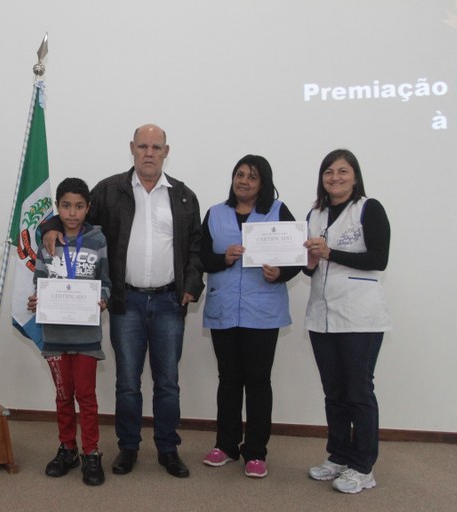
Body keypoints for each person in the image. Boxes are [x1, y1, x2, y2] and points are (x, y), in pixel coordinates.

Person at [38, 124, 204, 478]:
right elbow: (74, 215)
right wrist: (48, 226)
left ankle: (168, 449)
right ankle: (128, 447)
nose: (149, 153)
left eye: (156, 147)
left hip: (169, 302)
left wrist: (192, 283)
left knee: (168, 382)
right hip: (126, 302)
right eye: (142, 146)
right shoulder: (109, 190)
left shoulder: (183, 196)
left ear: (166, 151)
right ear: (132, 148)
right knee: (127, 382)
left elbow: (195, 246)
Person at [199, 155, 300, 478]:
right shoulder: (215, 213)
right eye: (239, 174)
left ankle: (255, 451)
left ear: (263, 183)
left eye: (252, 177)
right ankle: (226, 445)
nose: (243, 181)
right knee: (228, 379)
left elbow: (296, 258)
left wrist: (280, 273)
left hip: (263, 312)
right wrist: (223, 258)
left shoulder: (278, 211)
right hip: (224, 309)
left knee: (258, 382)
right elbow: (200, 257)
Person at [303, 149, 390, 494]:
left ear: (355, 177)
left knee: (358, 391)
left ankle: (363, 467)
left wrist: (329, 253)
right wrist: (309, 261)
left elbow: (379, 259)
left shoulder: (369, 208)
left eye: (342, 171)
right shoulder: (315, 214)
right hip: (322, 316)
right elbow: (309, 267)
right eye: (329, 172)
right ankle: (338, 456)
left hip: (360, 317)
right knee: (334, 392)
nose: (335, 177)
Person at [31, 177, 111, 486]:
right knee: (63, 396)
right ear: (57, 208)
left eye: (79, 206)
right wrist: (36, 299)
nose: (72, 213)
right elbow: (40, 282)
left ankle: (91, 452)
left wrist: (103, 299)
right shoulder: (48, 241)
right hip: (55, 336)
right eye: (66, 206)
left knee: (86, 397)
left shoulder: (97, 240)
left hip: (86, 337)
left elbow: (106, 281)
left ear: (88, 208)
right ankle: (68, 449)